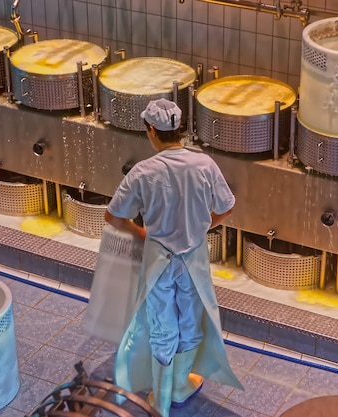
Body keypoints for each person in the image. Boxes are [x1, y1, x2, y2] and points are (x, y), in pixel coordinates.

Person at [104, 98, 243, 416]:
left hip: (159, 259)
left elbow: (112, 217)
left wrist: (140, 233)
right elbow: (227, 206)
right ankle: (180, 387)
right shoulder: (204, 165)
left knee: (162, 325)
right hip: (193, 257)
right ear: (179, 129)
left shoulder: (144, 172)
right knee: (191, 320)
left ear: (151, 130)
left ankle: (161, 400)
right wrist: (203, 225)